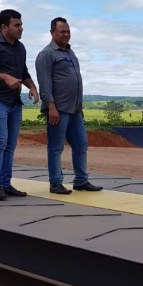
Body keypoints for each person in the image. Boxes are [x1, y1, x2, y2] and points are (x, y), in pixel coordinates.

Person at [34, 17, 103, 195]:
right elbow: (45, 83)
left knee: (81, 144)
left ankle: (81, 180)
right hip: (58, 109)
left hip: (75, 110)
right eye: (61, 31)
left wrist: (80, 108)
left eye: (67, 31)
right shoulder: (46, 54)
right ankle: (55, 183)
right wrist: (51, 107)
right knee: (56, 147)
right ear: (52, 33)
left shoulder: (70, 53)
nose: (65, 34)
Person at [0, 9, 39, 201]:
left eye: (21, 25)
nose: (21, 28)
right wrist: (5, 77)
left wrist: (32, 87)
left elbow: (24, 72)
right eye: (17, 25)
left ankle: (6, 183)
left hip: (15, 102)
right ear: (4, 27)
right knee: (0, 143)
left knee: (10, 145)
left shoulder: (20, 48)